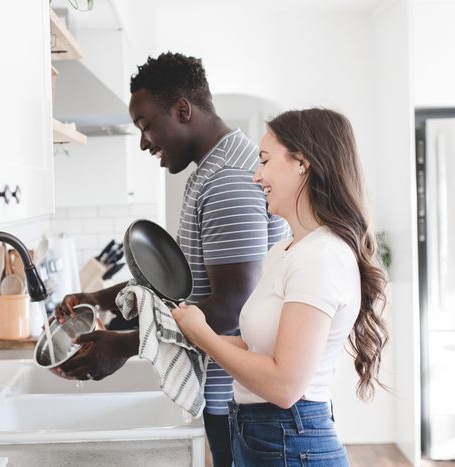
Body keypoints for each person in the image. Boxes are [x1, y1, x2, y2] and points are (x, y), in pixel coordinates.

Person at [53, 52, 288, 467]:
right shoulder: (211, 171)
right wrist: (99, 297)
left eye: (146, 125)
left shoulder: (228, 181)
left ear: (183, 110)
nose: (144, 141)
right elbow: (186, 285)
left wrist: (127, 346)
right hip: (228, 393)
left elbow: (231, 307)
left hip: (239, 398)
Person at [171, 108, 389, 466]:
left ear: (302, 162)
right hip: (265, 436)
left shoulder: (321, 256)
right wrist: (188, 334)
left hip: (290, 440)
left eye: (264, 160)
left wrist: (203, 334)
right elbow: (256, 347)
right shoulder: (286, 250)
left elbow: (285, 387)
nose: (256, 177)